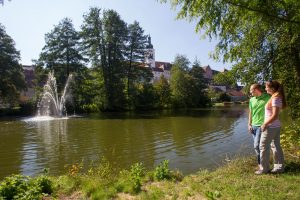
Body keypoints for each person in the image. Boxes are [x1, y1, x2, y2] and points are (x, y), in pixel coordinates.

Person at [255, 80, 287, 175]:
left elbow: (275, 115)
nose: (265, 89)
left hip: (271, 127)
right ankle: (279, 167)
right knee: (275, 146)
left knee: (263, 146)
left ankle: (264, 169)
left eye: (266, 87)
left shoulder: (276, 98)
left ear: (272, 88)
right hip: (275, 126)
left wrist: (265, 124)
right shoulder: (275, 97)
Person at [248, 84, 271, 168]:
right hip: (253, 126)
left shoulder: (268, 97)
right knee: (257, 146)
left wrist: (267, 123)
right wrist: (249, 124)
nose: (250, 92)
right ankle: (261, 163)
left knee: (257, 145)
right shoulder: (251, 100)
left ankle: (262, 164)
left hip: (262, 126)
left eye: (251, 90)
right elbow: (251, 112)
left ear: (256, 89)